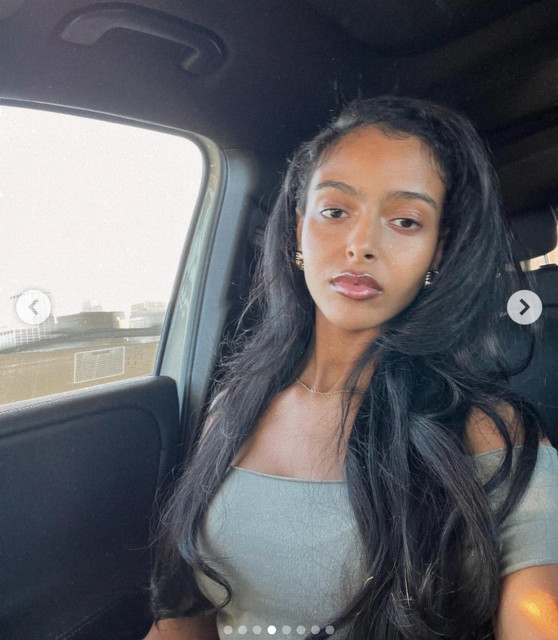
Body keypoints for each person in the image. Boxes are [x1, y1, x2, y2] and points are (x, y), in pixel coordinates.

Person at [145, 96, 558, 640]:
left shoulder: (489, 434)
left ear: (437, 251)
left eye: (405, 221)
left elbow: (538, 613)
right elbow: (185, 620)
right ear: (299, 228)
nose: (361, 245)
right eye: (335, 211)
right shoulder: (234, 405)